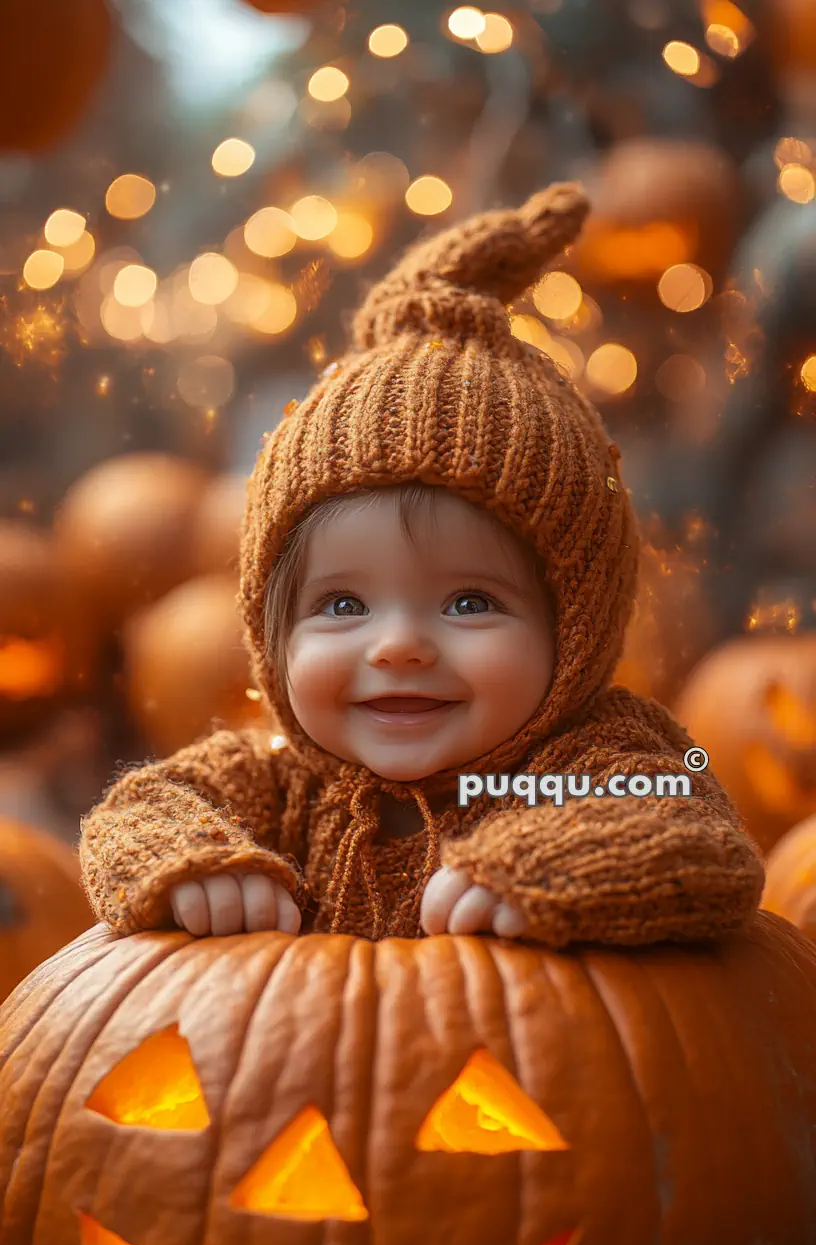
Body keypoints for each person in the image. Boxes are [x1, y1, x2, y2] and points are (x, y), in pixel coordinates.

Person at [78, 183, 765, 946]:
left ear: (574, 629)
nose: (397, 645)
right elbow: (142, 811)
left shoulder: (589, 763)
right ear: (271, 635)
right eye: (343, 606)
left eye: (470, 602)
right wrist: (200, 867)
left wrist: (553, 868)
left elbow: (696, 836)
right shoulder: (284, 783)